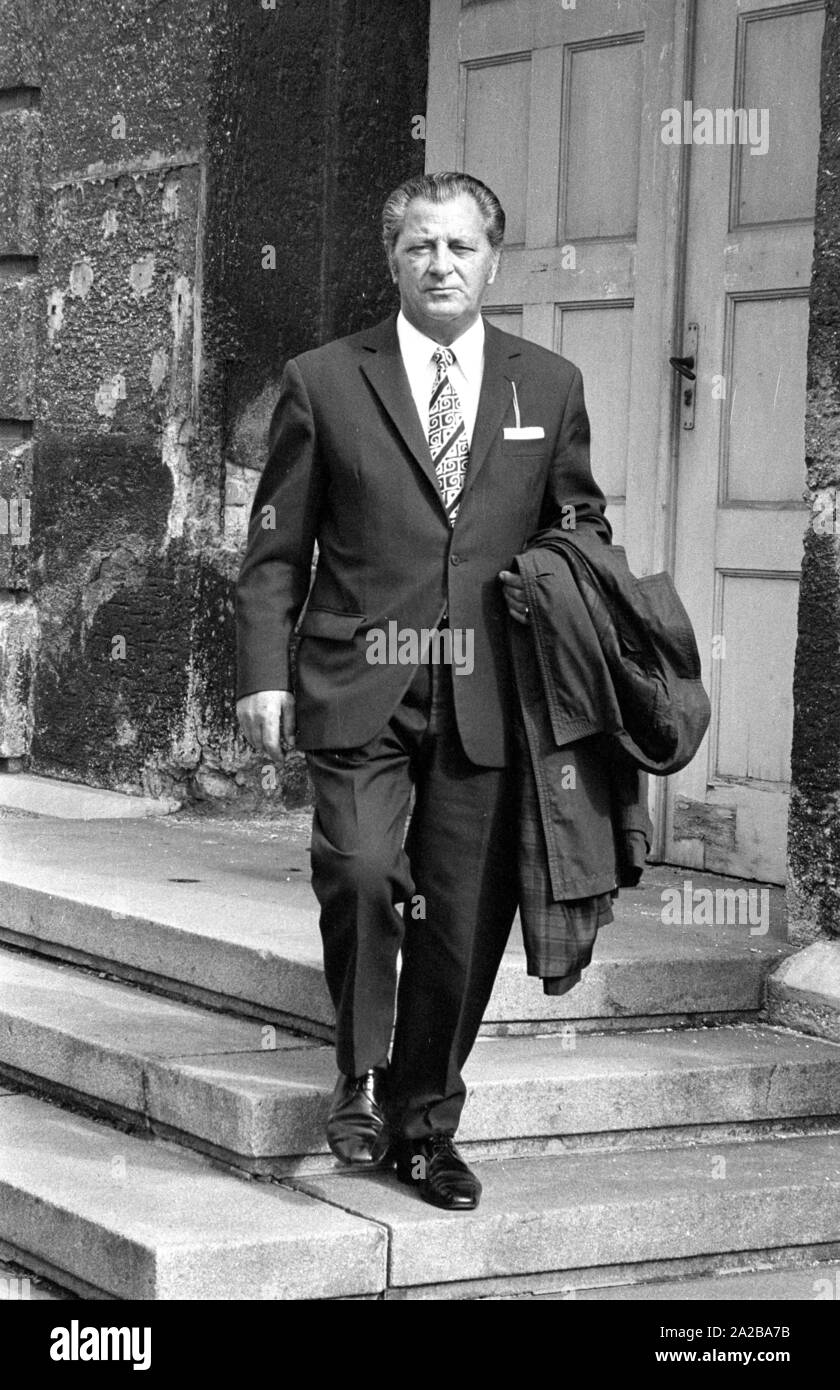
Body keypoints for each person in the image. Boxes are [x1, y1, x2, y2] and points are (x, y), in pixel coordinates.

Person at [236, 171, 610, 1210]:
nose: (440, 265)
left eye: (460, 247)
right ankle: (358, 1070)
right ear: (391, 260)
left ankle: (422, 1126)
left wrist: (577, 599)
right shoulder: (324, 380)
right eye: (419, 248)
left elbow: (578, 525)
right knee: (359, 870)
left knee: (461, 920)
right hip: (361, 679)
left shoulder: (551, 383)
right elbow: (275, 549)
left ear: (494, 259)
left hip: (492, 693)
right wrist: (263, 672)